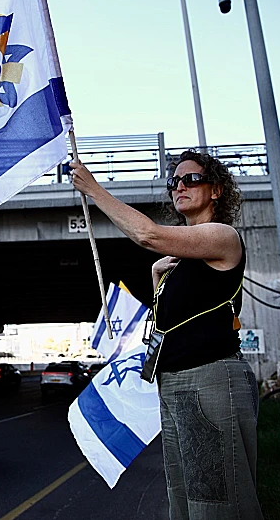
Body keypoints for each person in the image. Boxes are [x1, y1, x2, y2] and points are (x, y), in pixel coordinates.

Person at [71, 151, 261, 520]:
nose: (179, 186)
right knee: (184, 499)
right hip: (173, 384)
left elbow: (148, 234)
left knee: (217, 503)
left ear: (217, 190)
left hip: (208, 378)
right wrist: (158, 277)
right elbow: (165, 324)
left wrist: (94, 190)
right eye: (174, 182)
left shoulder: (222, 236)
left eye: (191, 179)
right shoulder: (179, 262)